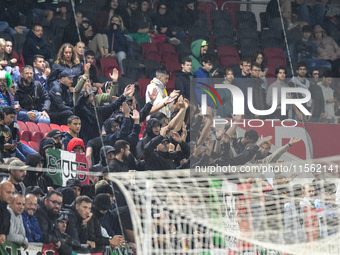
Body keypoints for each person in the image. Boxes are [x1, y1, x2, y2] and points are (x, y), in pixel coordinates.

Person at [0, 181, 15, 246]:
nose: (11, 196)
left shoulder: (8, 213)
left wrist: (3, 235)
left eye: (13, 193)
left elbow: (6, 232)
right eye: (8, 192)